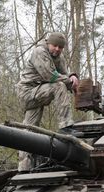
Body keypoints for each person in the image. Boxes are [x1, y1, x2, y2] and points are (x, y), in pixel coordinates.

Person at [16, 32, 79, 172]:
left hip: (38, 93)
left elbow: (64, 73)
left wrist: (73, 77)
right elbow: (50, 76)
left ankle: (24, 167)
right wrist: (69, 82)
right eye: (55, 45)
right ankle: (65, 126)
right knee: (59, 86)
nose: (57, 49)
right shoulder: (40, 51)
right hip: (27, 92)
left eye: (60, 47)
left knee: (28, 130)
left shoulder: (59, 57)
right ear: (48, 43)